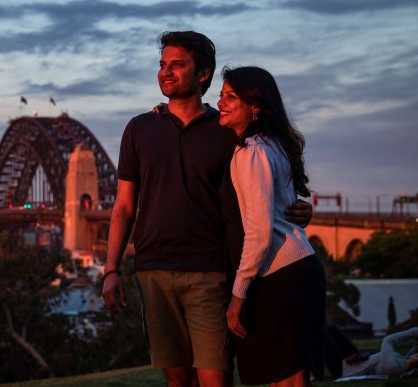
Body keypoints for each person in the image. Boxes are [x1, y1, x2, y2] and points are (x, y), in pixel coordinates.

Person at [101, 32, 312, 387]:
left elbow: (268, 180)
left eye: (177, 65)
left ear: (203, 74)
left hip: (210, 270)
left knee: (215, 377)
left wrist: (298, 209)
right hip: (153, 270)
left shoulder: (228, 129)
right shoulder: (139, 128)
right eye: (162, 65)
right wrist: (110, 269)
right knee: (177, 379)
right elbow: (124, 206)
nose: (165, 72)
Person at [217, 66, 326, 386]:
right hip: (297, 270)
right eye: (221, 96)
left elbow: (260, 231)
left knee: (287, 379)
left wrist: (238, 295)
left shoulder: (251, 152)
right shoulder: (273, 144)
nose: (221, 103)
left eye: (230, 97)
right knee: (289, 377)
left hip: (283, 275)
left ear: (255, 106)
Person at [325, 325, 418, 378]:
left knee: (323, 332)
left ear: (415, 361)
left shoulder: (393, 365)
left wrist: (414, 331)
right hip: (355, 361)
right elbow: (413, 351)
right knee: (332, 329)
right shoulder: (403, 363)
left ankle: (312, 367)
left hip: (342, 369)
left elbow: (388, 340)